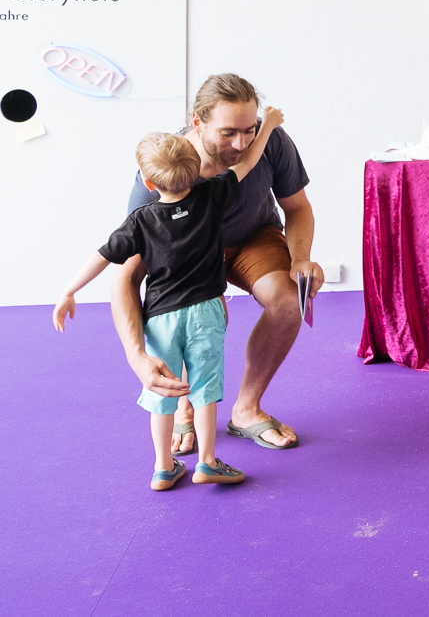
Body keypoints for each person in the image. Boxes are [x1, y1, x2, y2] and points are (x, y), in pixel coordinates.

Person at [67, 112, 281, 489]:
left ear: (149, 182)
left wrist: (69, 291)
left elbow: (102, 256)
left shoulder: (140, 220)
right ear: (197, 171)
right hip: (207, 311)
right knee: (205, 390)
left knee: (162, 392)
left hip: (161, 319)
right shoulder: (211, 196)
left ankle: (164, 467)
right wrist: (267, 127)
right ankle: (207, 462)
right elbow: (248, 162)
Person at [111, 74, 322, 455]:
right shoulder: (165, 167)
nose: (241, 144)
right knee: (196, 315)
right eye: (228, 133)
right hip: (188, 253)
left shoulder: (270, 140)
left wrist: (300, 258)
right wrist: (136, 356)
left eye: (249, 130)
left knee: (289, 300)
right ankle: (183, 406)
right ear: (197, 122)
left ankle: (246, 410)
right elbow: (126, 276)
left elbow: (297, 207)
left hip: (252, 235)